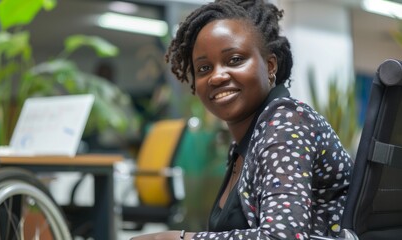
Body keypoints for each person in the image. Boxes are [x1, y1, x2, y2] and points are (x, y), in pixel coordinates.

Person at [131, 0, 353, 239]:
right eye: (204, 68)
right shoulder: (246, 141)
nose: (217, 76)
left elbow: (283, 237)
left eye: (235, 59)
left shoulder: (286, 123)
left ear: (270, 66)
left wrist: (183, 238)